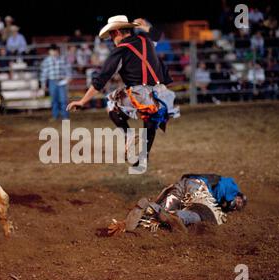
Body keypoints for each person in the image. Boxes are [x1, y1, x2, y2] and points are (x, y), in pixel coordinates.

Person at [66, 15, 178, 163]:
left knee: (111, 103)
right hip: (162, 93)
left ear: (117, 32)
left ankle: (128, 134)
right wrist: (143, 26)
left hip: (140, 94)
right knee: (151, 120)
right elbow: (157, 33)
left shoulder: (121, 50)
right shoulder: (147, 41)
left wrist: (82, 101)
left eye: (111, 35)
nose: (112, 39)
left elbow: (102, 78)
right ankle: (144, 155)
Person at [108, 174, 247, 235]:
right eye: (239, 201)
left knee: (156, 218)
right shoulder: (230, 186)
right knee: (206, 216)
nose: (236, 204)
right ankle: (179, 217)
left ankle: (129, 221)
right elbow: (224, 186)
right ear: (239, 194)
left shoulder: (223, 195)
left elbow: (185, 177)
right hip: (198, 189)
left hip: (183, 185)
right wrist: (230, 199)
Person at [40, 44, 71, 120]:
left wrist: (68, 78)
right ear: (49, 52)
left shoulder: (63, 59)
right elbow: (44, 73)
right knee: (54, 100)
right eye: (52, 50)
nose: (54, 52)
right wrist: (43, 83)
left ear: (57, 51)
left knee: (63, 100)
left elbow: (68, 69)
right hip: (52, 81)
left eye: (55, 50)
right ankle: (55, 116)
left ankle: (65, 116)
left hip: (61, 81)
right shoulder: (46, 61)